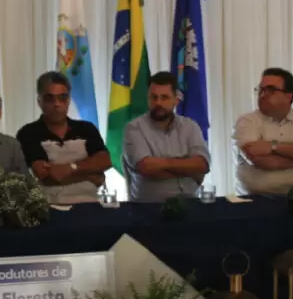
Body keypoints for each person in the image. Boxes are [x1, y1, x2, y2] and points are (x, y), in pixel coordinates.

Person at [16, 71, 111, 204]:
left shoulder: (86, 128)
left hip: (89, 204)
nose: (57, 104)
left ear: (68, 100)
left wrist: (71, 168)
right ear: (39, 101)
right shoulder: (28, 133)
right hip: (49, 206)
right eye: (50, 98)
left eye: (62, 98)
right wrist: (90, 175)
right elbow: (45, 176)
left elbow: (105, 161)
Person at [232, 67, 293, 195]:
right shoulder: (247, 121)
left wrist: (272, 146)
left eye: (270, 90)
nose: (262, 95)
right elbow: (259, 160)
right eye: (261, 89)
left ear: (289, 96)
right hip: (257, 199)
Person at [123, 72, 210, 202]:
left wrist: (162, 163)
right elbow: (147, 168)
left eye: (164, 97)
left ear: (176, 99)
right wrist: (187, 168)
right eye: (154, 97)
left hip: (190, 203)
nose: (158, 103)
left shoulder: (190, 126)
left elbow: (202, 165)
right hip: (148, 206)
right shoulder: (134, 128)